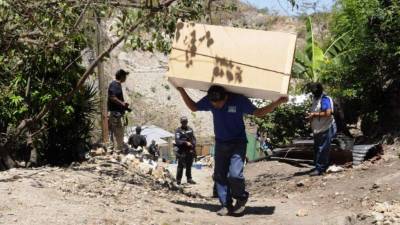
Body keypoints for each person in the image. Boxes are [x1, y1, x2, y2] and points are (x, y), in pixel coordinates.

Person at [177, 85, 288, 216]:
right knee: (219, 175)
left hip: (238, 143)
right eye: (214, 104)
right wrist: (181, 90)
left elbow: (258, 113)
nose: (217, 106)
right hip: (220, 143)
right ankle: (225, 204)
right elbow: (194, 107)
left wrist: (278, 102)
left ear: (226, 97)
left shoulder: (239, 100)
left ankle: (241, 198)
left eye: (219, 103)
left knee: (235, 175)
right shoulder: (211, 99)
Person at [306, 82, 337, 176]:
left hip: (326, 127)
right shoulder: (316, 99)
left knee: (322, 149)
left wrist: (314, 115)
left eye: (313, 90)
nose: (312, 92)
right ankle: (319, 167)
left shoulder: (325, 99)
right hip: (318, 129)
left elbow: (328, 113)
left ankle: (320, 169)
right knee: (317, 148)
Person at [108, 69, 131, 153]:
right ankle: (116, 151)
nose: (126, 78)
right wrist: (122, 103)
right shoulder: (114, 84)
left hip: (117, 113)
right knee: (117, 131)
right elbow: (112, 97)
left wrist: (124, 106)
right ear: (121, 76)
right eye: (125, 76)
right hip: (115, 113)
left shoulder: (117, 85)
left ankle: (117, 150)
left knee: (118, 131)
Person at [174, 116, 197, 185]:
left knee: (189, 166)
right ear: (181, 122)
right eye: (183, 122)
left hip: (190, 151)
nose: (184, 123)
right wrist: (185, 142)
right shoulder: (178, 130)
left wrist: (193, 144)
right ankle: (178, 180)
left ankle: (189, 179)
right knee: (180, 166)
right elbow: (177, 141)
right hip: (182, 151)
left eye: (185, 122)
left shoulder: (190, 129)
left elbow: (193, 138)